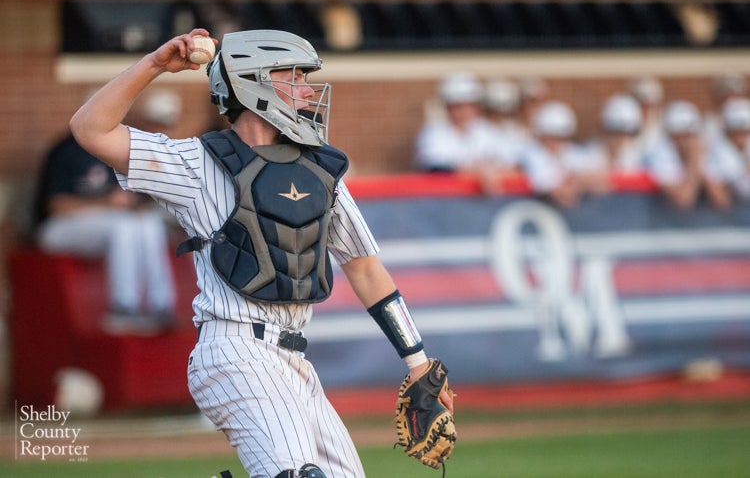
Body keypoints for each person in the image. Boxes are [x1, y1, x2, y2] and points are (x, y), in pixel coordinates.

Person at [69, 28, 454, 478]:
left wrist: (419, 362)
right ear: (255, 83)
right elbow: (90, 129)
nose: (309, 90)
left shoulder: (320, 168)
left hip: (294, 363)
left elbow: (366, 269)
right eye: (295, 77)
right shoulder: (196, 163)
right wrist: (154, 64)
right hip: (233, 352)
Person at [34, 105, 177, 334]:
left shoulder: (109, 148)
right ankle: (123, 307)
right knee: (122, 226)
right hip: (56, 229)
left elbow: (130, 197)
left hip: (102, 223)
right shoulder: (65, 150)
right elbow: (56, 206)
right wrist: (106, 203)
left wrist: (131, 204)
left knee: (149, 224)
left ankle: (160, 305)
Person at [645, 100, 732, 211]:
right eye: (680, 136)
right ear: (670, 136)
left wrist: (702, 171)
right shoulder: (660, 152)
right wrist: (694, 160)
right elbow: (683, 200)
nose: (686, 141)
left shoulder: (704, 150)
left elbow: (722, 202)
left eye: (689, 135)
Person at [520, 100, 608, 208]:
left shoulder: (571, 152)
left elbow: (604, 185)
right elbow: (564, 196)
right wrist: (577, 181)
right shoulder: (532, 155)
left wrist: (576, 181)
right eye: (551, 136)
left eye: (562, 137)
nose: (557, 143)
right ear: (541, 135)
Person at [414, 71, 495, 172]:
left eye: (470, 105)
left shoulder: (486, 130)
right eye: (458, 106)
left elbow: (507, 162)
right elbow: (433, 166)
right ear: (447, 106)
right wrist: (473, 170)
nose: (464, 111)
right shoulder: (433, 132)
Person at [583, 93, 646, 173]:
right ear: (605, 130)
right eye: (615, 133)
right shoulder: (588, 155)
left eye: (627, 134)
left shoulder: (636, 157)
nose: (621, 139)